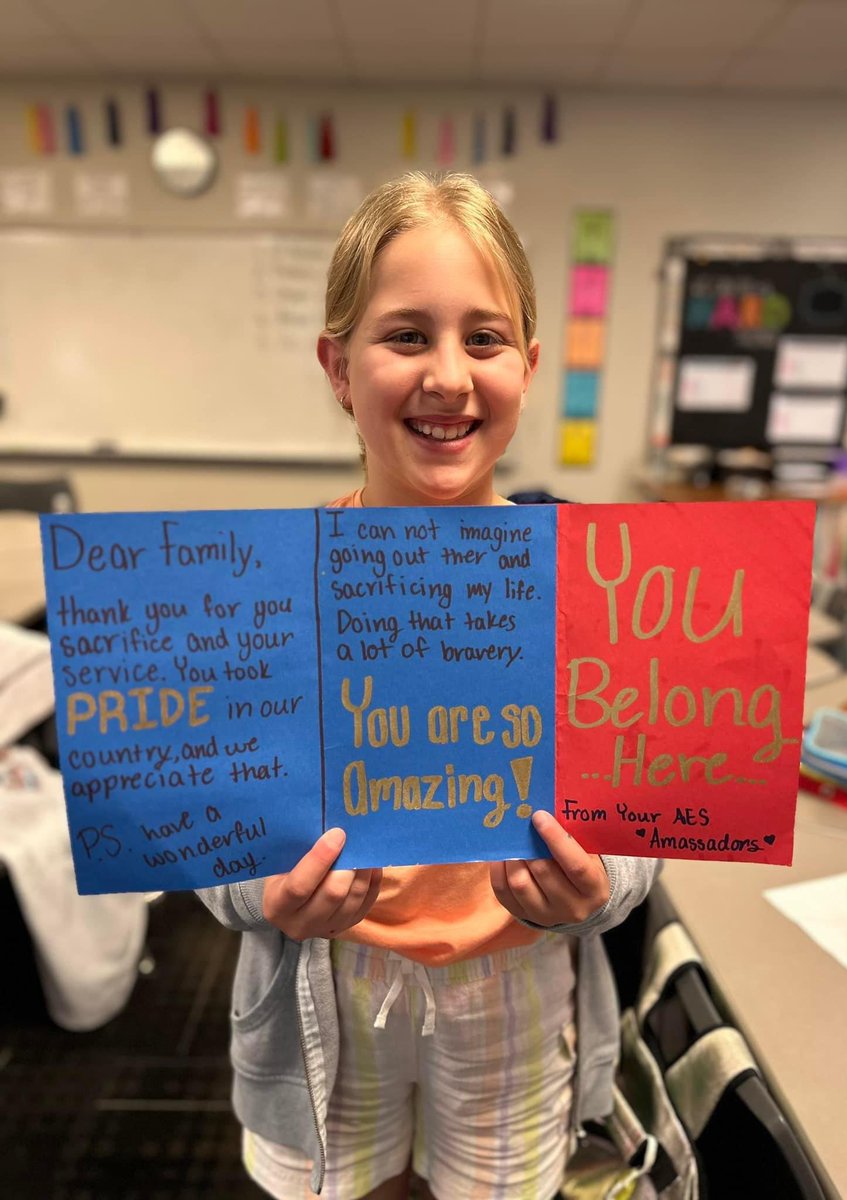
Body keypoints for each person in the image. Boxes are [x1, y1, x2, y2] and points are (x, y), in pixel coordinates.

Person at [197, 171, 658, 1200]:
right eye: (406, 336)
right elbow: (210, 831)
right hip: (324, 991)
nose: (449, 376)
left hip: (519, 988)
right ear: (338, 366)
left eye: (484, 339)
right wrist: (266, 895)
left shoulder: (594, 586)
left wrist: (598, 888)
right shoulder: (263, 590)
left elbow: (643, 831)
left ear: (529, 365)